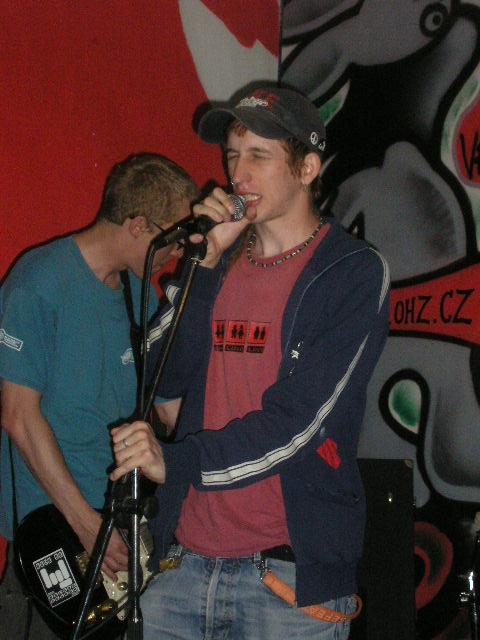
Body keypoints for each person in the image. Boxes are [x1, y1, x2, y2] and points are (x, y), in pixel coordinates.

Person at [110, 84, 391, 639]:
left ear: (307, 168)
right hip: (183, 566)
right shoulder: (217, 261)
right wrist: (204, 264)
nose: (237, 174)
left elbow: (300, 424)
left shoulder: (351, 272)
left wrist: (179, 462)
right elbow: (158, 371)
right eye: (232, 155)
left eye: (259, 156)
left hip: (285, 582)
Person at [0, 152, 200, 639]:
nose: (176, 253)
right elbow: (19, 418)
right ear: (137, 226)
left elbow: (168, 406)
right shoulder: (38, 284)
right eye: (172, 239)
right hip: (56, 531)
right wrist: (87, 525)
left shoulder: (137, 291)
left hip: (123, 524)